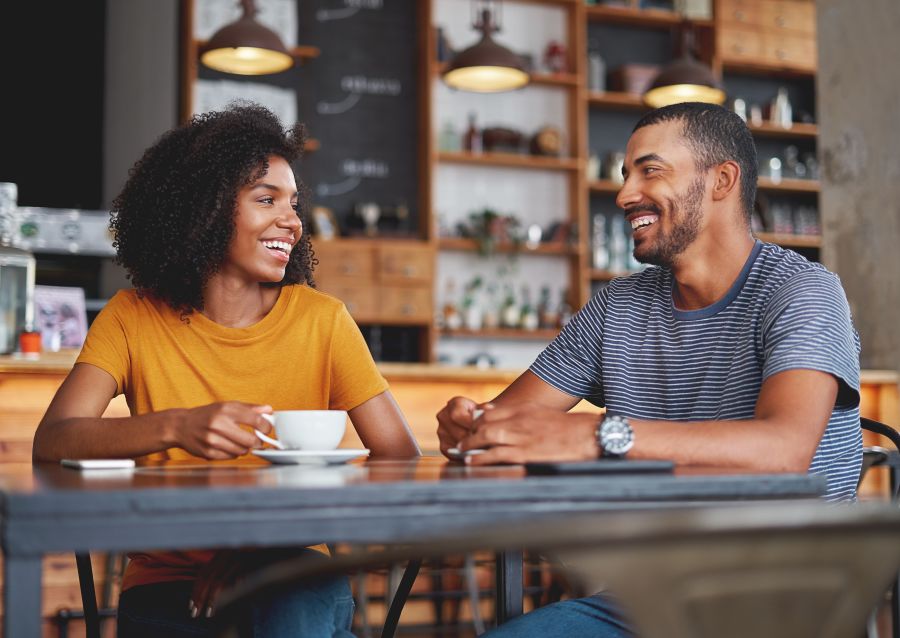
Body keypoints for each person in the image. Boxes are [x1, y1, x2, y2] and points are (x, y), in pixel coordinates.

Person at [437, 102, 861, 637]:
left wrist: (597, 436)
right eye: (624, 174)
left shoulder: (803, 292)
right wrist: (473, 424)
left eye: (649, 170)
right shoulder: (620, 306)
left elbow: (783, 451)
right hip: (645, 600)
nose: (623, 194)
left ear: (721, 180)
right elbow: (509, 422)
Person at [33, 102, 421, 637]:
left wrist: (261, 549)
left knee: (289, 609)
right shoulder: (133, 317)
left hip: (294, 563)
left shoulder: (322, 320)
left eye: (294, 204)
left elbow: (399, 456)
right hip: (169, 581)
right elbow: (54, 439)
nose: (292, 221)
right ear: (207, 209)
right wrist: (176, 425)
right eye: (267, 200)